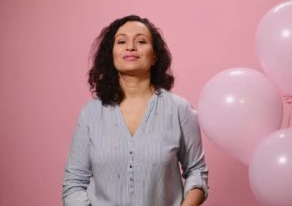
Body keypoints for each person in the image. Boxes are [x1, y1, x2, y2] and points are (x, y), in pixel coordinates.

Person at [62, 15, 208, 206]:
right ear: (111, 54)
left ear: (154, 55)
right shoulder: (90, 114)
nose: (130, 47)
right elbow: (73, 184)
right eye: (122, 41)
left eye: (141, 41)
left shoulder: (180, 109)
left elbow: (197, 172)